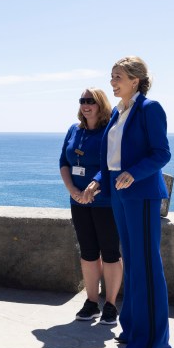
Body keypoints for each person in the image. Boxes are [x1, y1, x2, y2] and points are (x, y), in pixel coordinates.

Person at [81, 57, 174, 348]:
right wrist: (97, 182)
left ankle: (152, 345)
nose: (112, 82)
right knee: (133, 264)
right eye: (111, 76)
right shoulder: (118, 113)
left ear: (135, 80)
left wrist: (134, 173)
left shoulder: (150, 109)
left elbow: (161, 153)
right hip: (120, 196)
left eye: (117, 76)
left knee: (146, 268)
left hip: (142, 195)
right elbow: (110, 160)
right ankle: (133, 331)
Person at [59, 88, 121, 325]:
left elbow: (111, 164)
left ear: (101, 104)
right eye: (83, 101)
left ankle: (111, 304)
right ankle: (92, 302)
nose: (86, 105)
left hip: (105, 201)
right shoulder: (74, 130)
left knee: (111, 253)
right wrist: (73, 191)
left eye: (91, 101)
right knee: (88, 252)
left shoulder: (110, 131)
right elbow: (64, 162)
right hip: (78, 201)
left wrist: (92, 188)